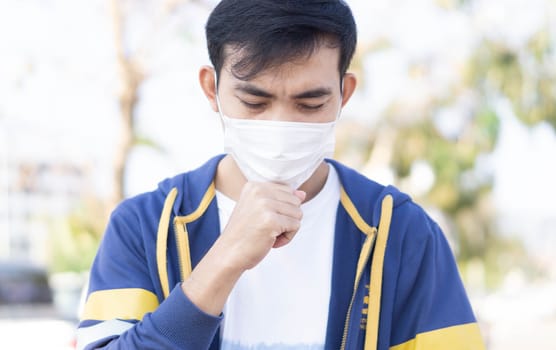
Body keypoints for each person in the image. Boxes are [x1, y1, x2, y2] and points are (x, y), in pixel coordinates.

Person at [76, 1, 485, 349]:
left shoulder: (401, 234)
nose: (281, 125)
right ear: (211, 88)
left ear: (344, 94)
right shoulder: (145, 228)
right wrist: (222, 262)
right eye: (255, 101)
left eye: (310, 104)